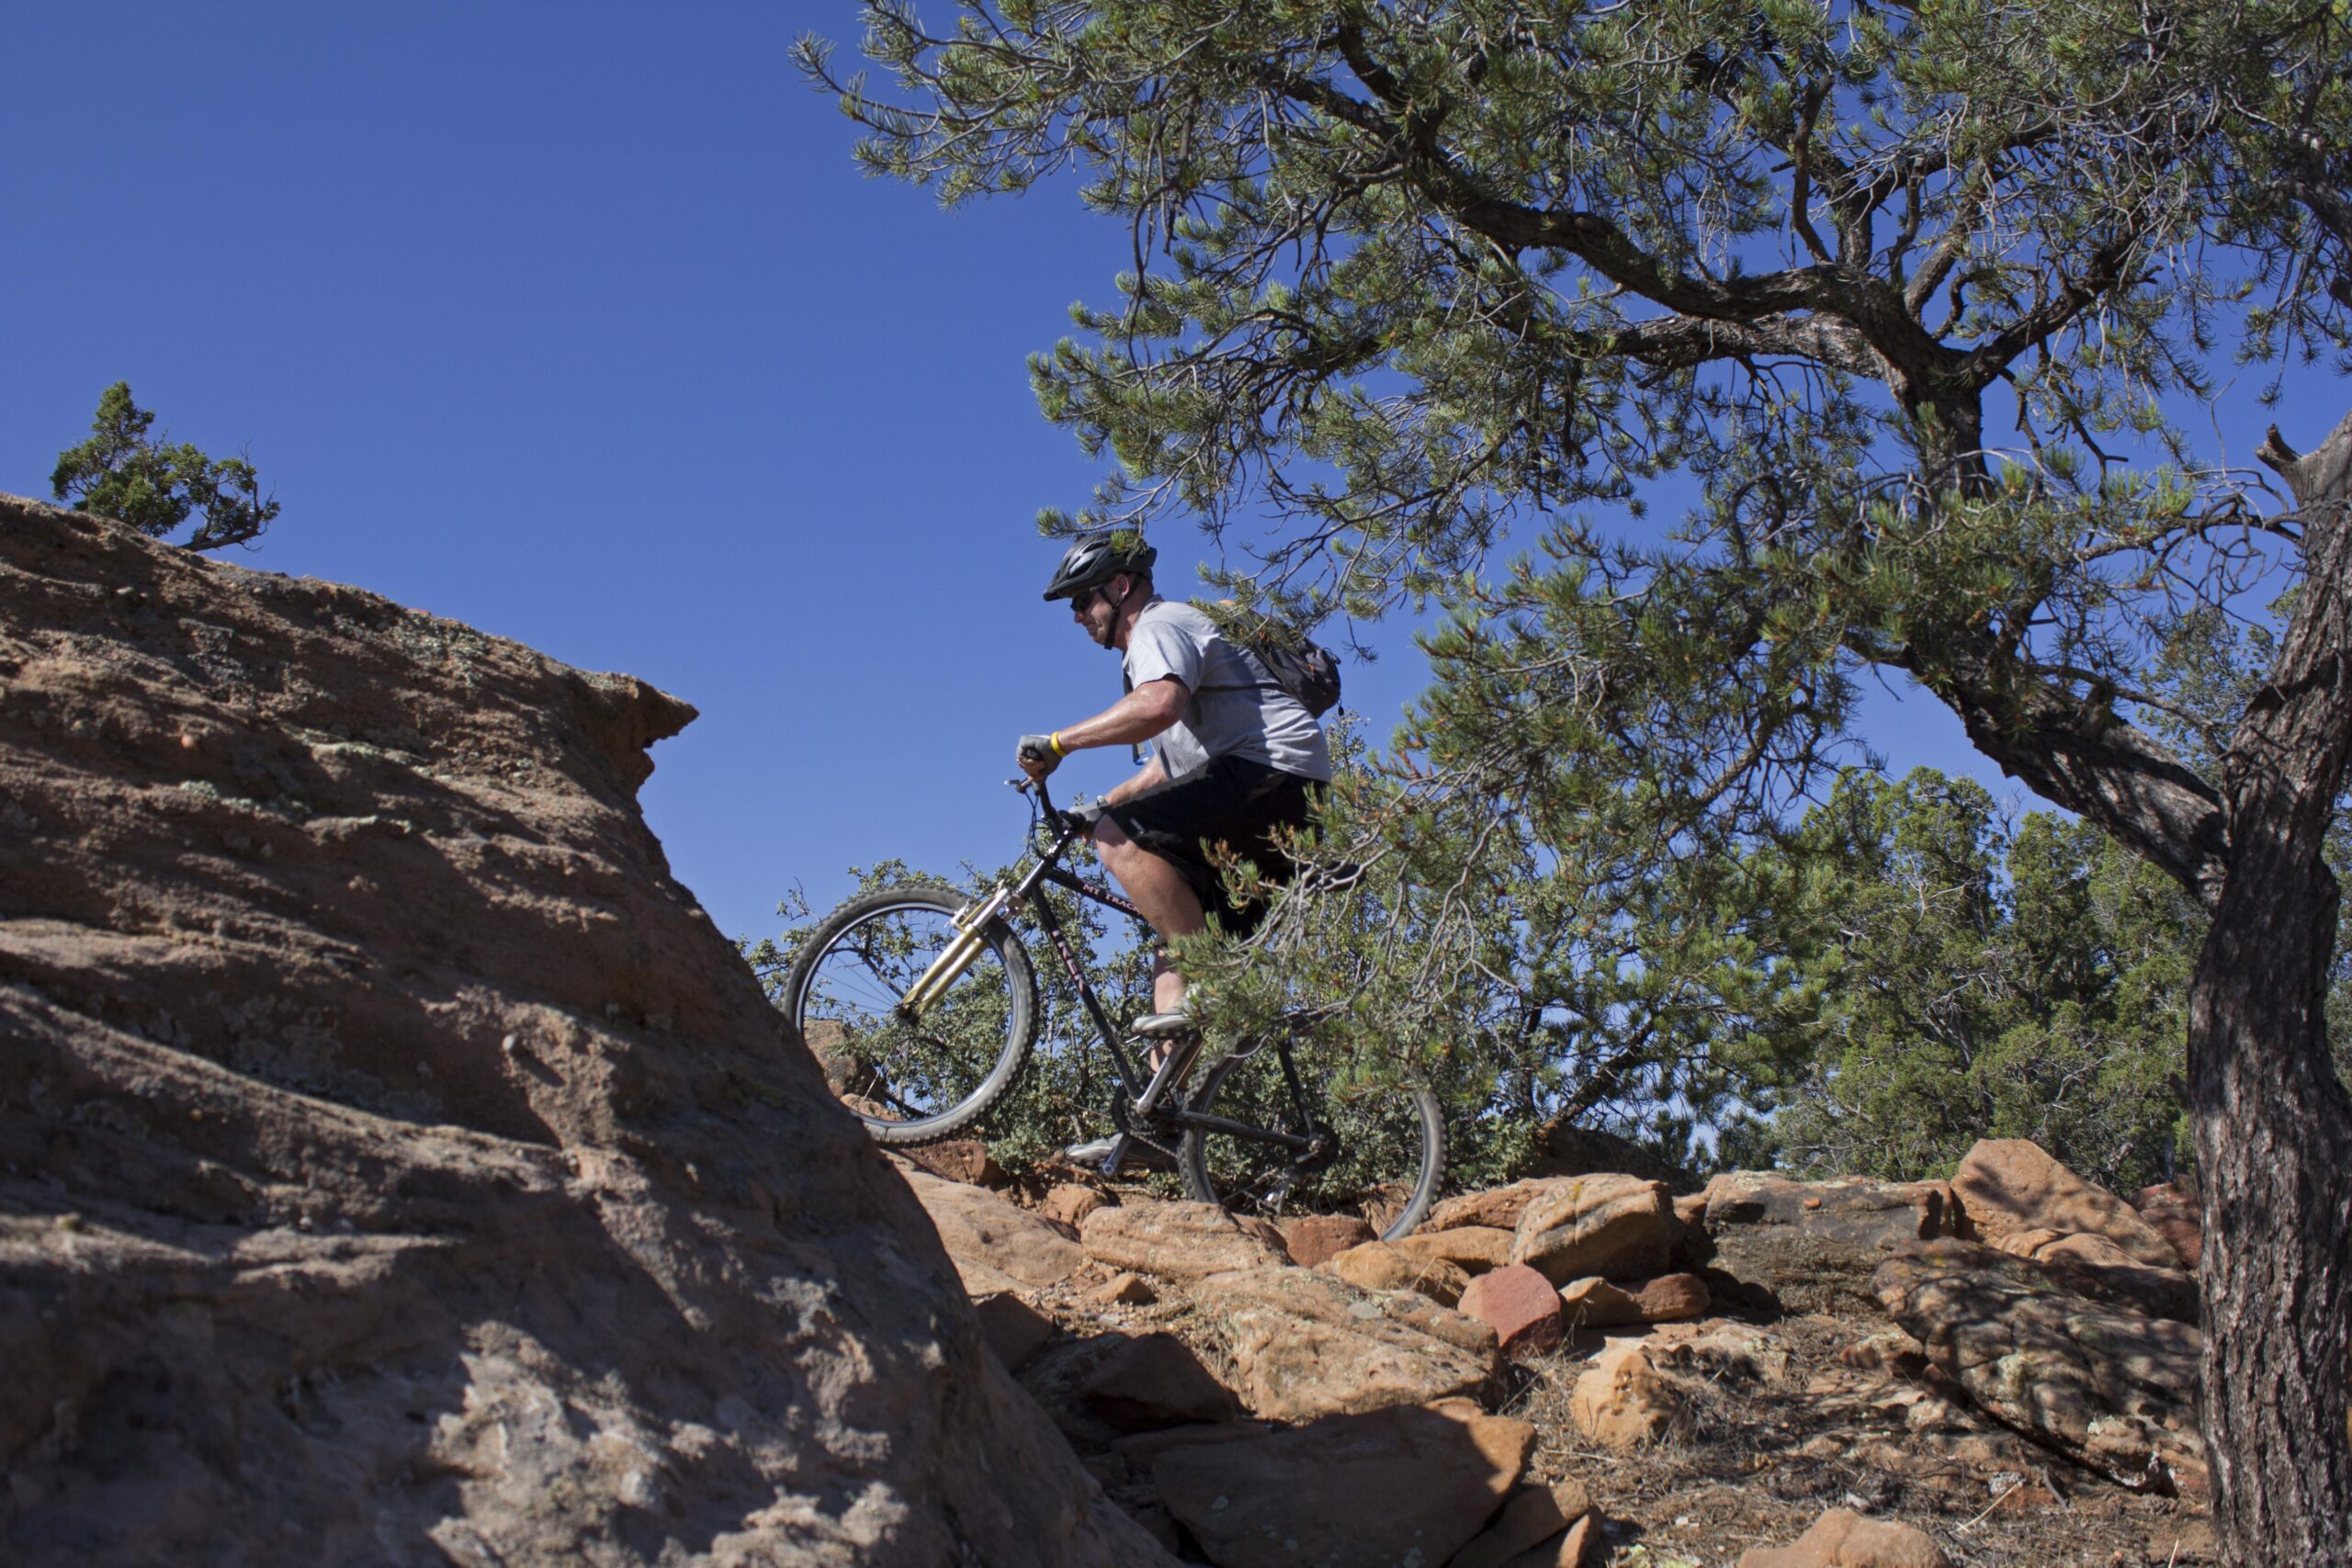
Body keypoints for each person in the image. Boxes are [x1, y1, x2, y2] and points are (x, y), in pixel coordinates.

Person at [1015, 534, 1332, 1166]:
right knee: (1172, 960)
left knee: (1124, 846)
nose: (1078, 616)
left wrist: (1060, 741)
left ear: (1121, 587)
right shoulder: (1168, 645)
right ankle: (1156, 1124)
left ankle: (1216, 980)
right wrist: (1099, 807)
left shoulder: (1158, 625)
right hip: (1266, 794)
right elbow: (1167, 768)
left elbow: (1159, 706)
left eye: (1082, 601)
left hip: (1275, 779)